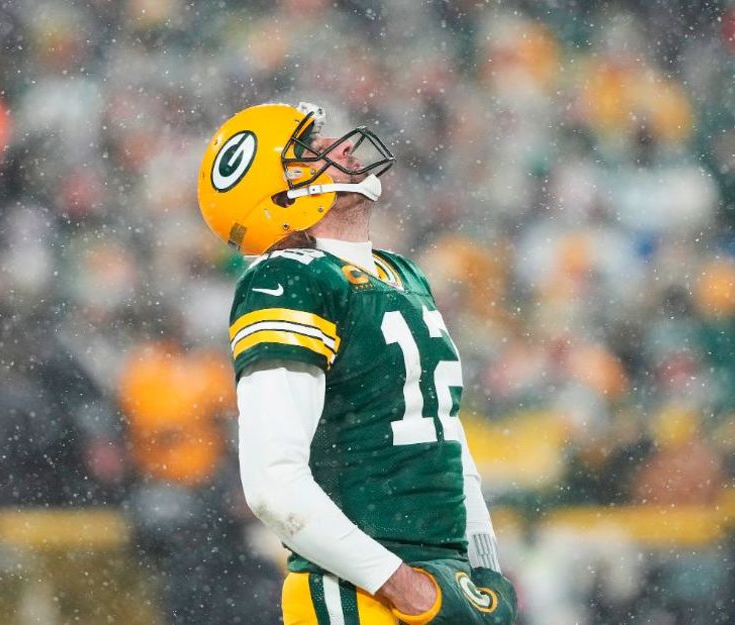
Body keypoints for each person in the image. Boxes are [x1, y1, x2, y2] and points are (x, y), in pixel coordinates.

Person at [197, 102, 518, 625]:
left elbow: (448, 440)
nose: (342, 147)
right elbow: (272, 483)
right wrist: (401, 585)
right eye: (313, 151)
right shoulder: (289, 278)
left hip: (443, 578)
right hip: (358, 592)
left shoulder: (402, 275)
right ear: (276, 195)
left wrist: (484, 571)